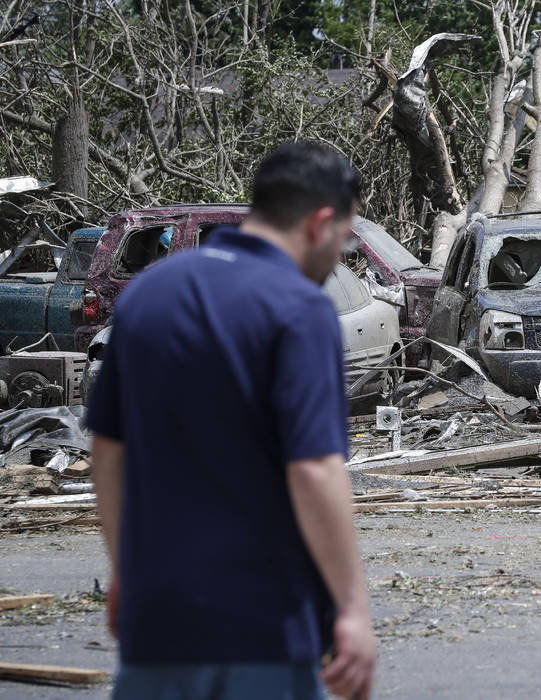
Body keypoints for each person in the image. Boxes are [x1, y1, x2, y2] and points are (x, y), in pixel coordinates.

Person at [89, 141, 376, 699]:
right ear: (321, 222)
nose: (340, 257)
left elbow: (108, 452)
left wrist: (125, 569)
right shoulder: (298, 307)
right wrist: (352, 610)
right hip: (262, 622)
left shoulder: (149, 293)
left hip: (157, 620)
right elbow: (315, 468)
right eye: (345, 239)